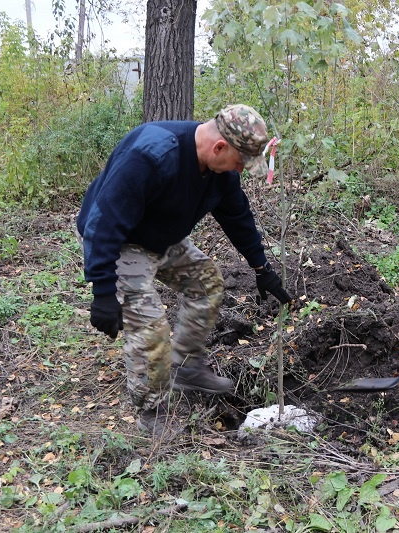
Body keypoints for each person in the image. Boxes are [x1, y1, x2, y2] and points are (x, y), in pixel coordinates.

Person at [76, 104, 292, 437]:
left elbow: (237, 216)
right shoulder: (151, 155)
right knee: (151, 330)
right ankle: (153, 413)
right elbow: (102, 222)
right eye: (238, 163)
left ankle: (187, 365)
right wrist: (103, 290)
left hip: (162, 237)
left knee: (207, 284)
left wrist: (261, 266)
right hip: (121, 241)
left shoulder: (219, 172)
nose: (237, 171)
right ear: (219, 147)